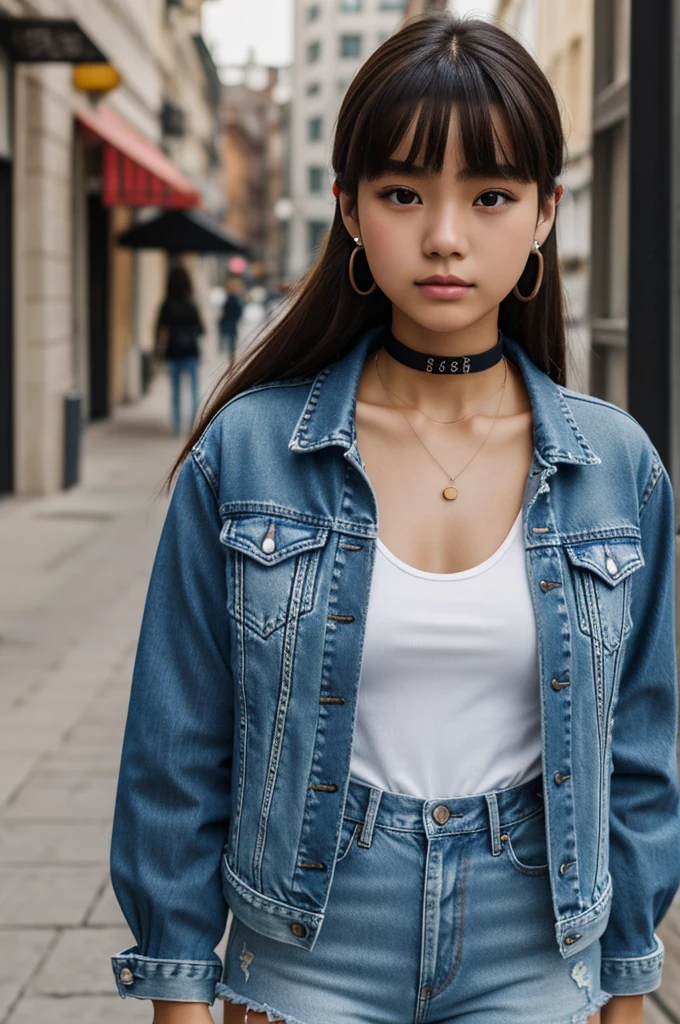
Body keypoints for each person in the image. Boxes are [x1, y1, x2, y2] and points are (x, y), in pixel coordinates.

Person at [110, 14, 680, 1024]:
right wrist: (178, 986)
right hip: (306, 941)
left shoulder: (616, 470)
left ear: (546, 211)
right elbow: (176, 746)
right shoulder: (247, 456)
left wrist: (629, 975)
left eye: (490, 194)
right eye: (403, 193)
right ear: (348, 207)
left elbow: (637, 752)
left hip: (536, 942)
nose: (445, 235)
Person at [155, 266, 205, 435]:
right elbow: (201, 330)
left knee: (175, 390)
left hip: (174, 350)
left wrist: (159, 349)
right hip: (191, 350)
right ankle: (193, 424)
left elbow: (160, 329)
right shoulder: (191, 304)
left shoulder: (167, 305)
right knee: (193, 389)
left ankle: (176, 425)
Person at [219, 275, 244, 363]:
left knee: (231, 344)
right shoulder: (233, 299)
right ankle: (232, 360)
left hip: (229, 324)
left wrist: (225, 316)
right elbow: (239, 312)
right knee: (231, 344)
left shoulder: (231, 299)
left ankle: (232, 361)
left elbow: (236, 312)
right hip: (231, 325)